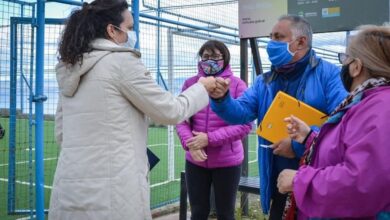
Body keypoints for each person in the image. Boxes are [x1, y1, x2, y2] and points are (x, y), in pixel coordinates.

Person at [48, 0, 216, 219]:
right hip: (112, 193)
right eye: (129, 28)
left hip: (70, 189)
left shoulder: (72, 68)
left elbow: (61, 133)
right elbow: (170, 111)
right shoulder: (121, 62)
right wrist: (202, 88)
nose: (132, 34)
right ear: (112, 30)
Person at [208, 15, 348, 218]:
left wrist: (297, 146)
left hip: (318, 181)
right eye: (270, 37)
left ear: (301, 42)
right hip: (278, 184)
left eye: (278, 37)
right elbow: (240, 112)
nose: (271, 44)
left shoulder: (329, 75)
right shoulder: (264, 81)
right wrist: (222, 99)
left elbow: (342, 124)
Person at [278, 25, 390, 219]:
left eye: (345, 59)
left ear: (356, 66)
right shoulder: (370, 101)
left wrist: (300, 181)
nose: (343, 65)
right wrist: (309, 138)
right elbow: (353, 149)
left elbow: (363, 182)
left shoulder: (379, 107)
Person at [176, 40, 252, 220]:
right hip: (196, 162)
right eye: (206, 57)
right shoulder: (190, 84)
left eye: (216, 57)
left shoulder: (237, 85)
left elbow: (245, 124)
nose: (210, 61)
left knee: (225, 213)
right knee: (198, 212)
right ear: (200, 59)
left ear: (225, 59)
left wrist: (209, 139)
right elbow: (181, 118)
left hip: (228, 162)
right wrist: (191, 144)